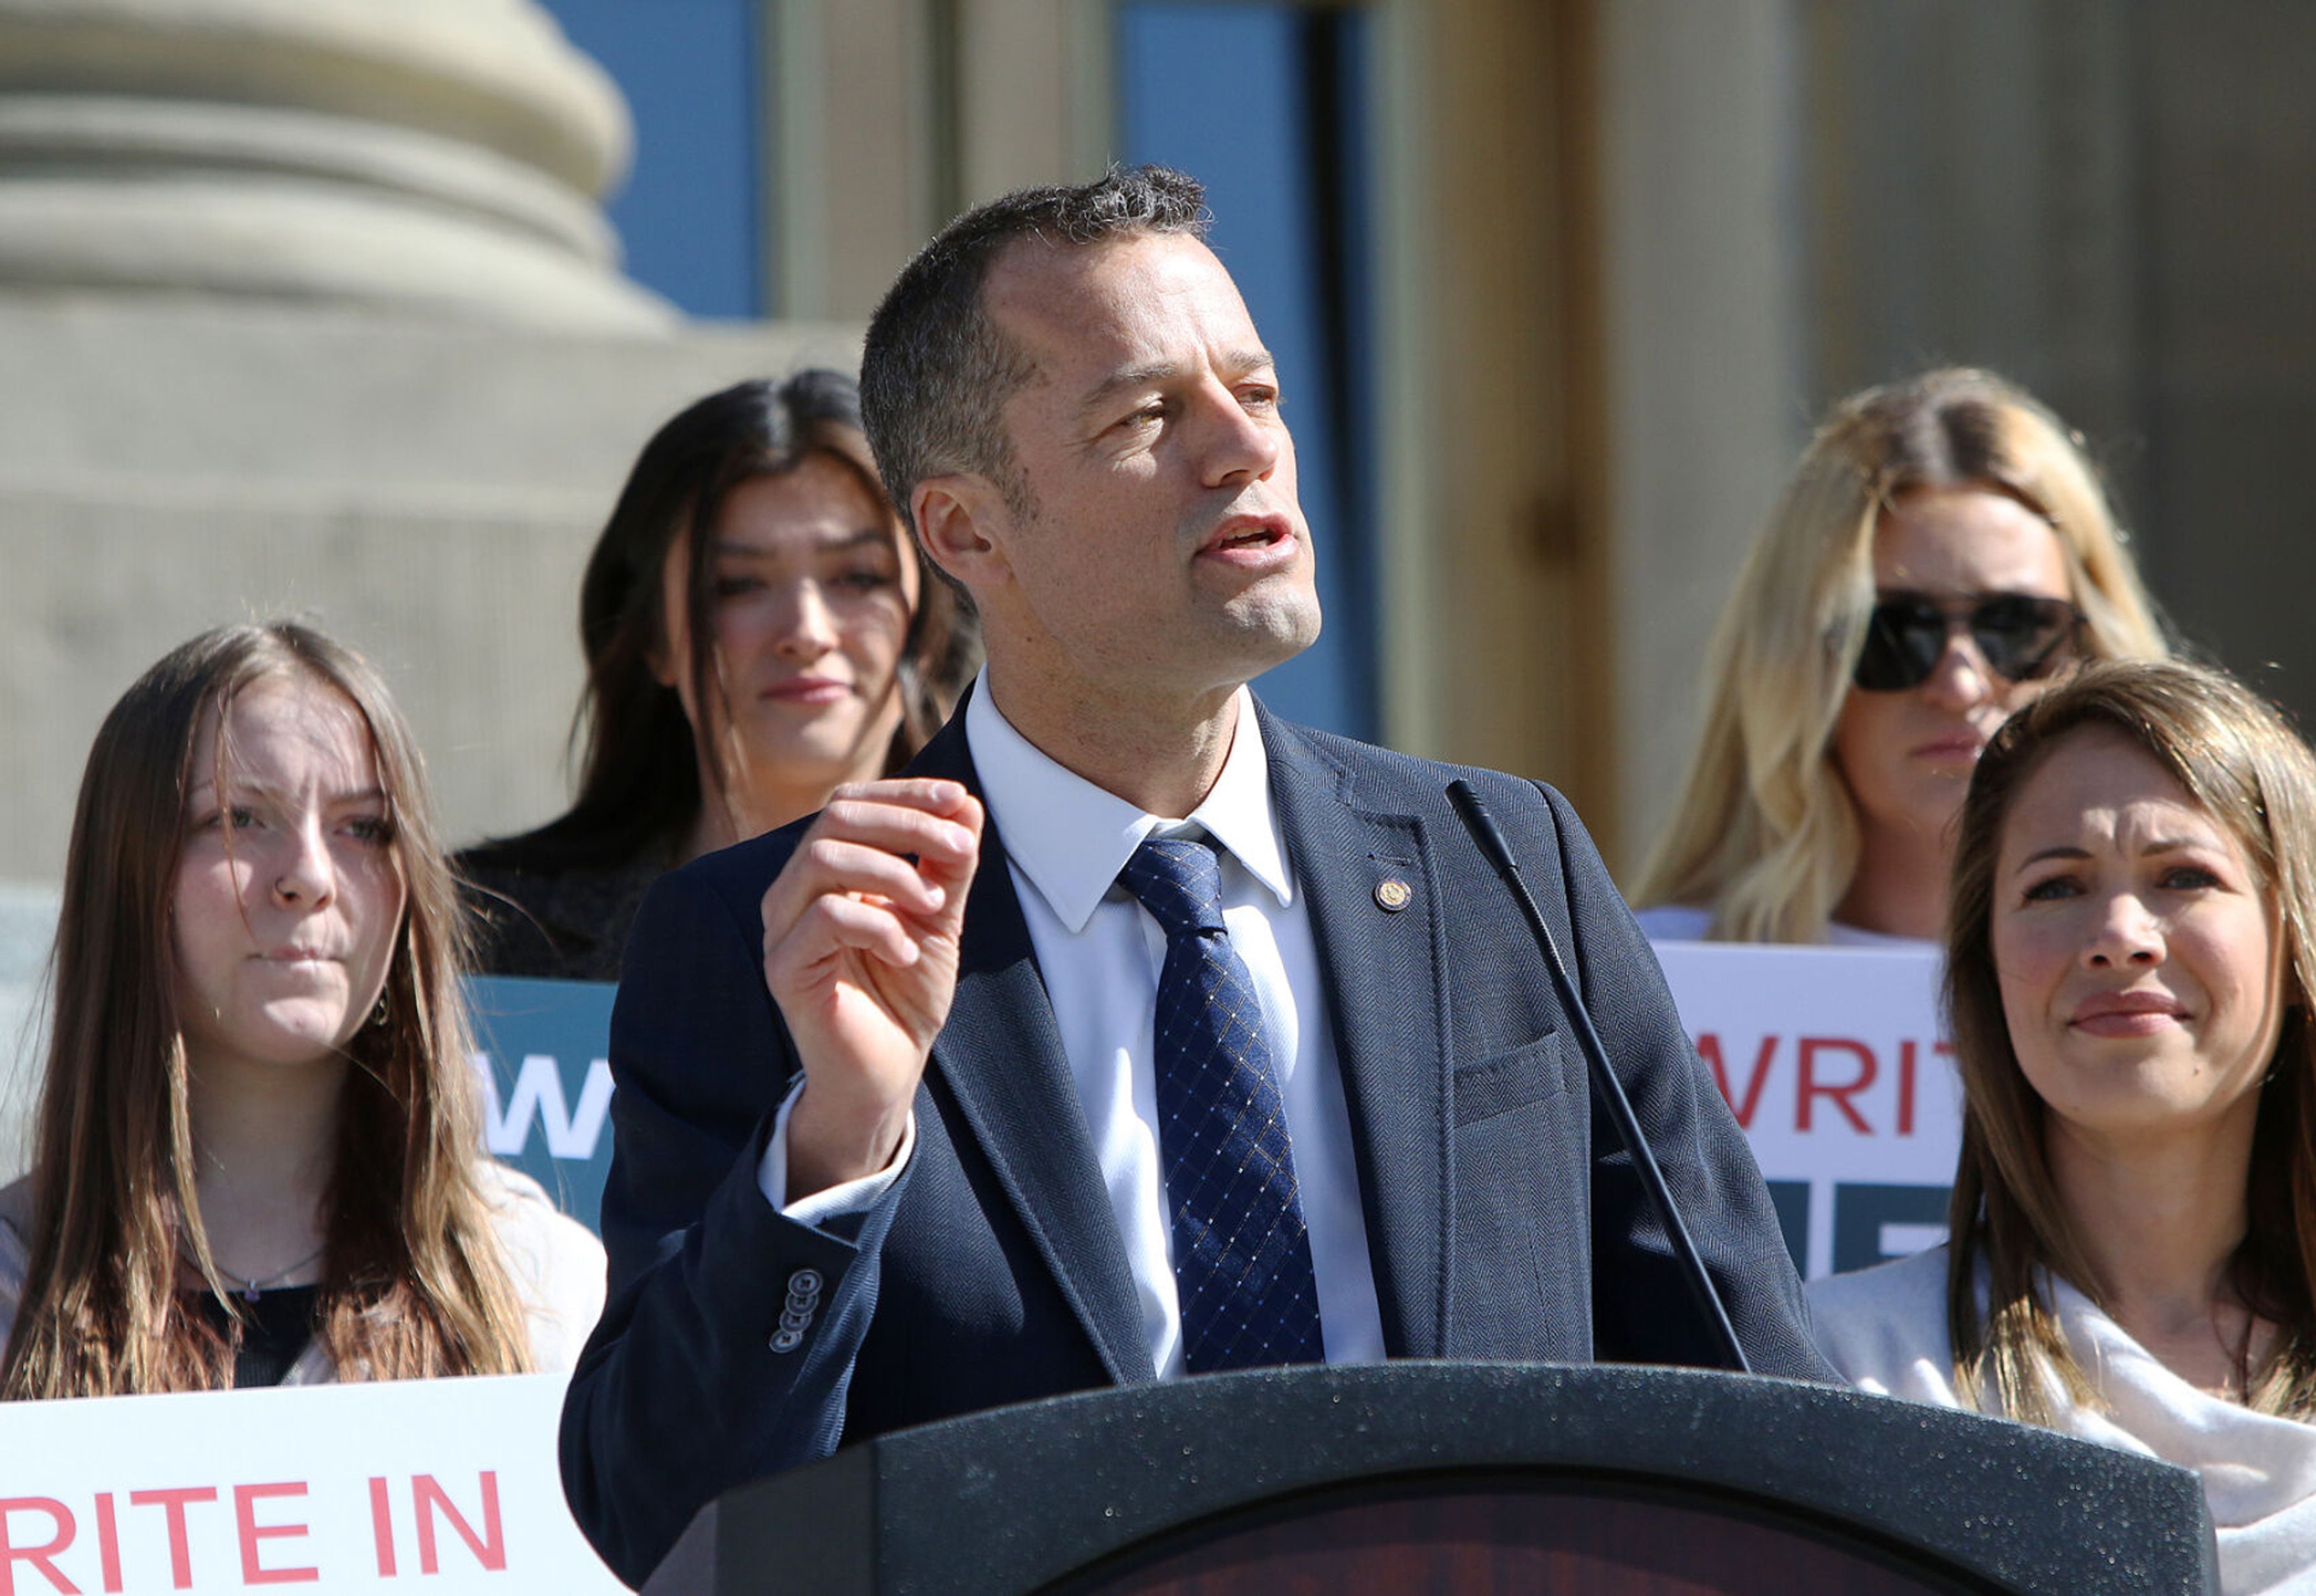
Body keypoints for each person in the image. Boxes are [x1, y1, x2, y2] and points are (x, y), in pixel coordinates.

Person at [558, 164, 1828, 1585]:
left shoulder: (1499, 862)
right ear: (966, 531)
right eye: (1145, 415)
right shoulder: (773, 937)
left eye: (1260, 391)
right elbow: (663, 1515)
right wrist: (839, 1142)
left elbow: (1761, 1410)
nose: (1241, 450)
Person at [1812, 660, 2316, 1595]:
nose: (2122, 933)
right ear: (1986, 967)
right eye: (2056, 887)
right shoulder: (1843, 1372)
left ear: (2299, 943)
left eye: (2184, 877)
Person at [0, 623, 606, 1395]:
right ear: (130, 875)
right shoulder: (15, 1282)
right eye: (240, 818)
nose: (311, 877)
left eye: (364, 828)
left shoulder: (537, 1285)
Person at [458, 369, 978, 981]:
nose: (807, 631)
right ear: (654, 635)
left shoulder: (1039, 920)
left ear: (930, 621)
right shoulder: (480, 934)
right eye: (739, 586)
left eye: (859, 577)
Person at [1631, 368, 2169, 944]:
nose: (1960, 686)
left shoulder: (2168, 977)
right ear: (1797, 667)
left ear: (2096, 655)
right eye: (1893, 633)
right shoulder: (1654, 986)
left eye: (2016, 628)